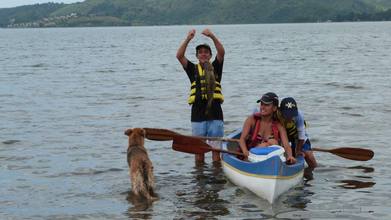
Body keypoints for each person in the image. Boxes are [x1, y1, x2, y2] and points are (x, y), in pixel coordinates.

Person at [176, 28, 225, 164]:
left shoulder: (215, 66)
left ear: (210, 55)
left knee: (216, 152)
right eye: (200, 53)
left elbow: (221, 52)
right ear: (197, 56)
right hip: (197, 114)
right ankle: (200, 178)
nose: (203, 54)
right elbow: (179, 56)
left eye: (206, 52)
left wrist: (212, 36)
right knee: (199, 153)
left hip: (215, 113)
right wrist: (188, 39)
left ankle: (216, 178)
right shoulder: (192, 69)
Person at [238, 92, 296, 164]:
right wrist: (245, 152)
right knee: (269, 143)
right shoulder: (251, 120)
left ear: (274, 108)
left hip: (270, 160)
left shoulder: (279, 125)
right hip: (251, 156)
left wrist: (290, 156)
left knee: (272, 142)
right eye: (262, 104)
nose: (262, 107)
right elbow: (241, 140)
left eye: (267, 105)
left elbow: (286, 145)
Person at [278, 97, 317, 169]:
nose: (290, 117)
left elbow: (301, 136)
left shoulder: (299, 116)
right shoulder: (276, 115)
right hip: (283, 138)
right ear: (280, 111)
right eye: (287, 115)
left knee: (308, 155)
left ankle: (312, 172)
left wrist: (298, 150)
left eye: (292, 114)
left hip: (297, 137)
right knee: (284, 156)